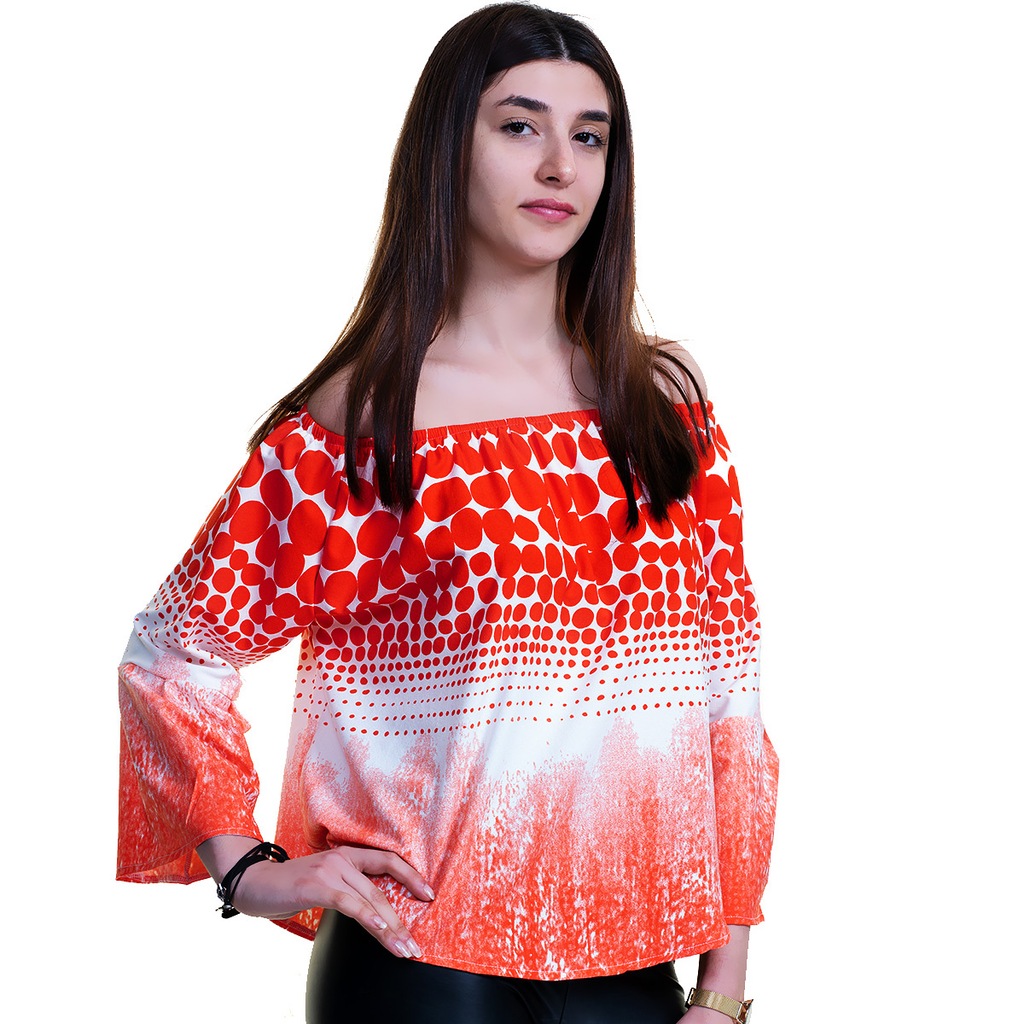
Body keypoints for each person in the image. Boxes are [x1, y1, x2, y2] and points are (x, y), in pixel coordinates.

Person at [116, 4, 778, 1022]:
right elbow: (172, 654)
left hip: (637, 969)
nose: (559, 165)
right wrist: (247, 868)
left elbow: (728, 700)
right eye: (519, 125)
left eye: (589, 136)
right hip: (421, 965)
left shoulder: (662, 403)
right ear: (446, 149)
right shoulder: (361, 422)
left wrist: (723, 991)